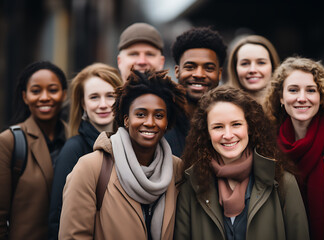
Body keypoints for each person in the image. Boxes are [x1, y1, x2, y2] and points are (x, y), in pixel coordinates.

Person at [59, 69, 187, 239]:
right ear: (126, 119)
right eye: (140, 114)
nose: (150, 122)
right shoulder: (91, 167)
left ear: (167, 122)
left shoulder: (176, 169)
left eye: (159, 115)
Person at [174, 86, 309, 240]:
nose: (228, 135)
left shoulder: (283, 182)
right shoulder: (191, 186)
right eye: (218, 127)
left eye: (236, 124)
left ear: (250, 127)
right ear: (206, 133)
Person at [264, 56, 324, 240]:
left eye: (311, 90)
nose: (302, 98)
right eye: (293, 90)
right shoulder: (268, 153)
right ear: (281, 98)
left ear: (321, 97)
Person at [48, 63, 122, 239]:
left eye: (110, 96)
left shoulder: (131, 145)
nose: (103, 104)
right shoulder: (73, 149)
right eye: (94, 97)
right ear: (83, 103)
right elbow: (57, 218)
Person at [0, 61, 68, 240]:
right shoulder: (9, 141)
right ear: (25, 96)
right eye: (36, 91)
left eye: (53, 90)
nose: (44, 97)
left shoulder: (76, 138)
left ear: (64, 94)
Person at [165, 26, 227, 157]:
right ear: (177, 71)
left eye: (209, 68)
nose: (199, 74)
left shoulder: (231, 122)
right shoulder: (160, 121)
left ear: (219, 73)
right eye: (190, 67)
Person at [227, 35, 280, 105]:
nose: (252, 70)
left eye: (261, 62)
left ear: (273, 66)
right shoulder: (223, 105)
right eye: (245, 63)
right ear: (235, 68)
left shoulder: (288, 106)